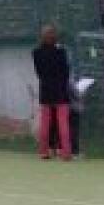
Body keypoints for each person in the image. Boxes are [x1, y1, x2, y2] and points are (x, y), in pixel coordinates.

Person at [31, 25, 72, 160]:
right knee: (63, 122)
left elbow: (39, 72)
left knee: (45, 123)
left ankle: (43, 151)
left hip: (46, 89)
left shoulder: (36, 53)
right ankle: (66, 152)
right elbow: (66, 71)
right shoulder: (61, 52)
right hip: (60, 90)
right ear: (55, 38)